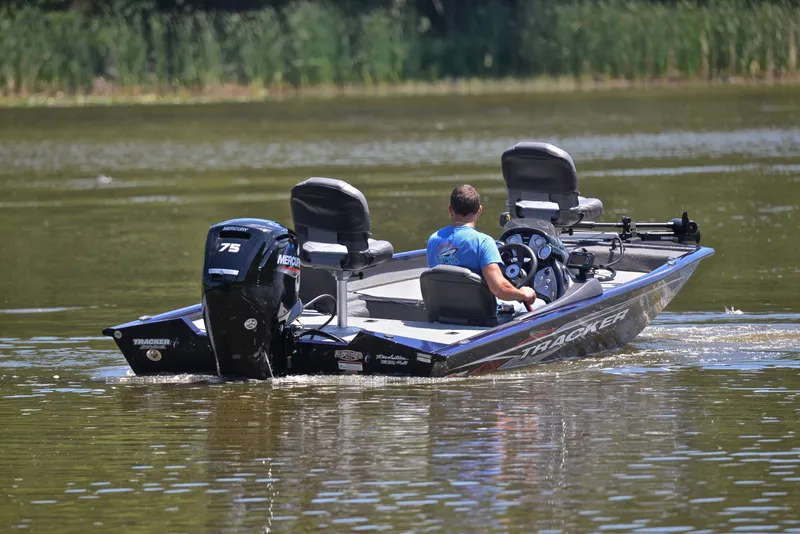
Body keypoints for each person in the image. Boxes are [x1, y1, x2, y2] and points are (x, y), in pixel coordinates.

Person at [427, 184, 537, 307]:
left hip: (443, 311)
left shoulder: (434, 240)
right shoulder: (483, 242)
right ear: (479, 210)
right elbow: (499, 289)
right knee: (541, 304)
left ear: (450, 210)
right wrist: (523, 294)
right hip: (479, 317)